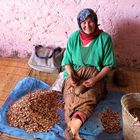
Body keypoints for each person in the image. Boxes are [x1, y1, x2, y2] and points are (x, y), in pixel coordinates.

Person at [61, 8, 115, 140]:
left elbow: (109, 65)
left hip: (95, 74)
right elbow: (67, 61)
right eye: (83, 22)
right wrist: (71, 75)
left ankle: (72, 130)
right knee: (69, 96)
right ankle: (74, 133)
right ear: (79, 24)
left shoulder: (104, 39)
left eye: (90, 22)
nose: (87, 25)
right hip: (77, 74)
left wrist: (95, 80)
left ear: (95, 22)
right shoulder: (74, 37)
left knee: (89, 97)